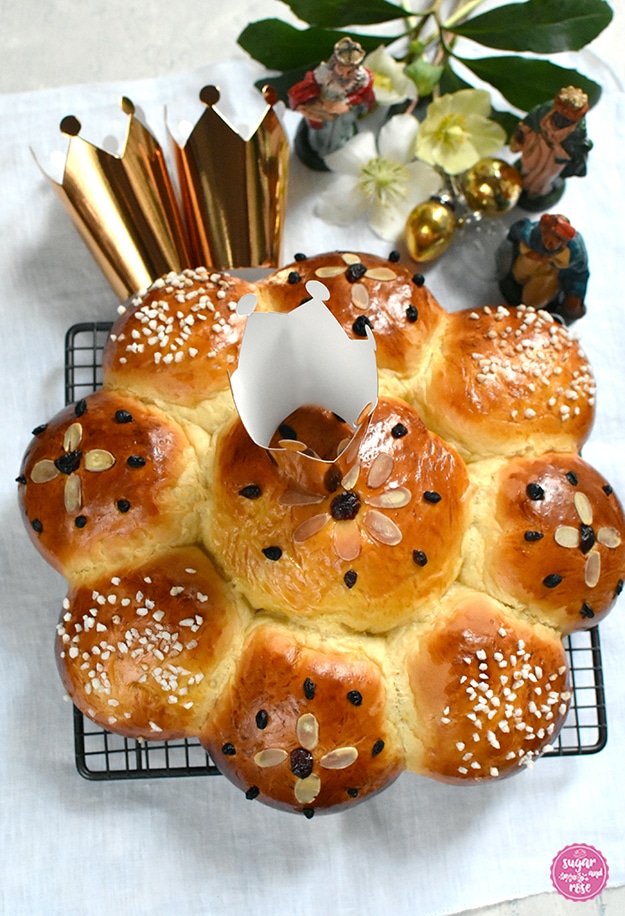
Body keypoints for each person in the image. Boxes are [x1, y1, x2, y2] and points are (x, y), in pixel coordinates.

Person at [288, 37, 375, 169]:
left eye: (350, 71)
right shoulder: (324, 73)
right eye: (341, 68)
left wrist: (346, 104)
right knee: (319, 129)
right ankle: (317, 146)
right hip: (324, 106)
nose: (344, 75)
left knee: (340, 132)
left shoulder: (362, 78)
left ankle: (336, 151)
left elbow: (362, 95)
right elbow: (311, 86)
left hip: (344, 113)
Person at [510, 86, 592, 210]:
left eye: (566, 119)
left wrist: (562, 150)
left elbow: (577, 148)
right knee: (528, 164)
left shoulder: (578, 131)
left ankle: (535, 190)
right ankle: (522, 179)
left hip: (554, 157)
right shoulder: (546, 110)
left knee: (545, 175)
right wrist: (523, 133)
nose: (561, 120)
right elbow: (531, 121)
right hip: (538, 144)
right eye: (560, 114)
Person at [498, 213, 589, 324]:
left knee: (533, 300)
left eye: (551, 243)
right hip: (530, 262)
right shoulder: (532, 234)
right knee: (520, 272)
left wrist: (575, 294)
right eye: (545, 239)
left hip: (553, 272)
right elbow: (517, 231)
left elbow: (580, 274)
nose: (547, 245)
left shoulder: (574, 254)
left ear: (563, 242)